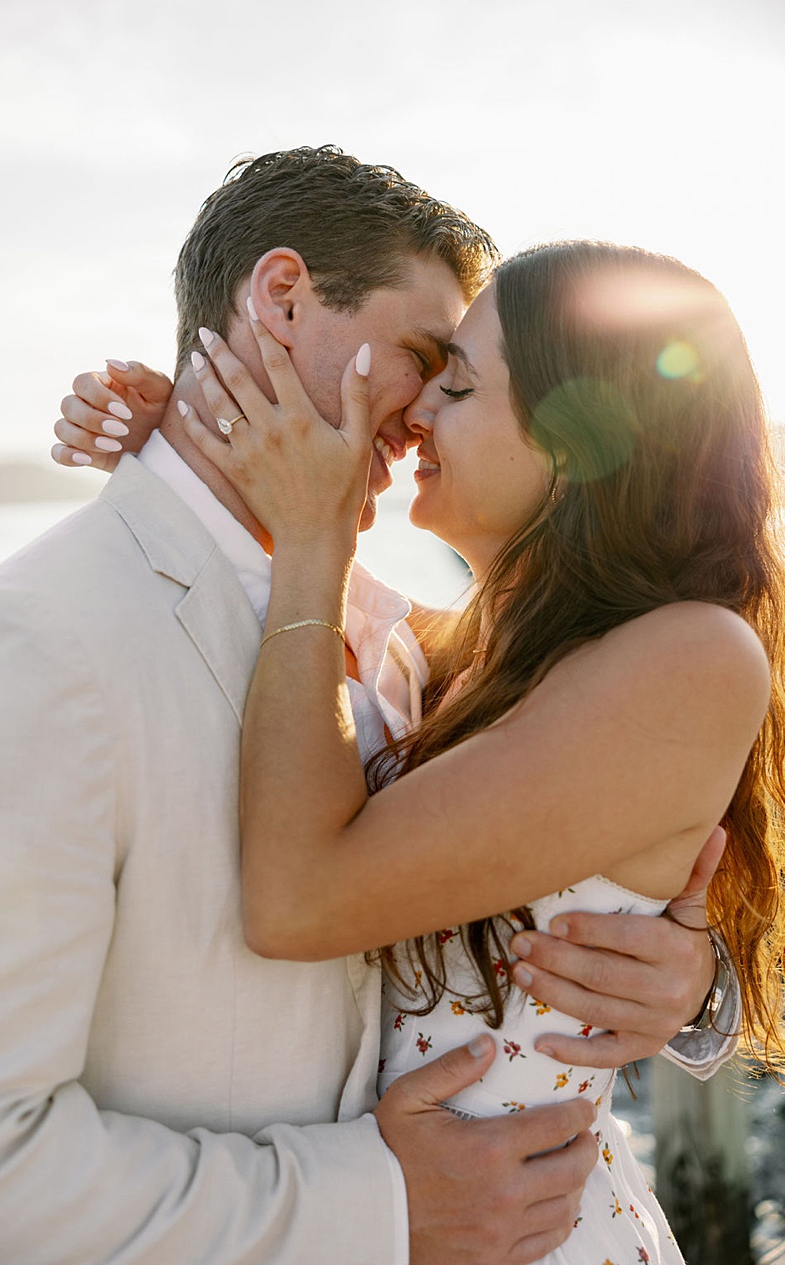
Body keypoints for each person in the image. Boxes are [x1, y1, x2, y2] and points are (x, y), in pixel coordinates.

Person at [0, 148, 733, 1264]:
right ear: (279, 300)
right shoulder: (42, 640)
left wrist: (691, 986)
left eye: (455, 380)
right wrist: (371, 1206)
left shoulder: (390, 632)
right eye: (423, 361)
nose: (418, 418)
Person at [171, 239, 782, 1263]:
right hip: (412, 1222)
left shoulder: (691, 655)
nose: (415, 413)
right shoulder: (474, 650)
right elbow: (277, 584)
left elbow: (296, 897)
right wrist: (170, 432)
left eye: (454, 383)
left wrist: (318, 537)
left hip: (531, 1235)